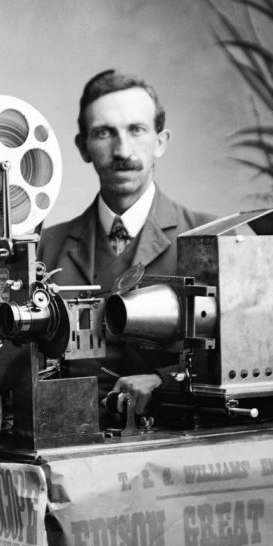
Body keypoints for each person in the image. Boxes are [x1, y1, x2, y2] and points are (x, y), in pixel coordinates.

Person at [38, 69, 214, 413]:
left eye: (136, 129)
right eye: (104, 133)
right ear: (83, 147)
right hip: (72, 443)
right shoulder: (47, 247)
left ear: (160, 141)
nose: (122, 150)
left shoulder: (211, 238)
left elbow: (243, 350)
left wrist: (166, 379)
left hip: (181, 440)